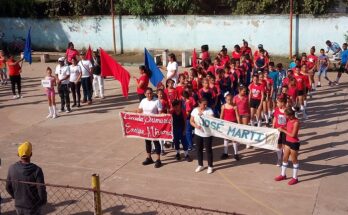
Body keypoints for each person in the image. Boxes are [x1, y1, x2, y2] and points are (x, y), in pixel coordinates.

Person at [6, 141, 47, 214]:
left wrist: (16, 197)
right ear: (31, 154)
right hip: (33, 206)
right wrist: (42, 202)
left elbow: (8, 187)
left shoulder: (12, 168)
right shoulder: (37, 170)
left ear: (18, 154)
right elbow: (41, 190)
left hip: (19, 205)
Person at [137, 87, 163, 168]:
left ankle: (158, 159)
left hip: (154, 125)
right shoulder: (143, 101)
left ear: (152, 93)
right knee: (147, 142)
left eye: (150, 93)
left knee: (155, 142)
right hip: (146, 124)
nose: (149, 95)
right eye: (147, 93)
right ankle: (149, 157)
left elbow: (160, 113)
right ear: (145, 94)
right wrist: (128, 112)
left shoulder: (157, 101)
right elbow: (139, 111)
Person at [275, 107, 300, 185]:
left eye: (286, 115)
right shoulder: (289, 120)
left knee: (294, 160)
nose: (285, 116)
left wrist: (283, 130)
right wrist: (283, 127)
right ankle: (283, 175)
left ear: (290, 115)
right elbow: (288, 128)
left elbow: (293, 135)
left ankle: (295, 178)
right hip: (287, 142)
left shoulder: (296, 122)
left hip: (294, 143)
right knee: (285, 158)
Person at [190, 98, 214, 174]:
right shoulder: (194, 110)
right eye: (204, 104)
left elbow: (212, 121)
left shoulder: (209, 110)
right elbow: (191, 121)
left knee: (208, 150)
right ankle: (200, 165)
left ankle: (210, 166)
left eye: (206, 104)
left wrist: (203, 116)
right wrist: (196, 126)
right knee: (199, 149)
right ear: (199, 103)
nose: (206, 105)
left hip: (207, 134)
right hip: (198, 133)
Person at [220, 93, 241, 161]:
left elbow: (237, 116)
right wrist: (220, 123)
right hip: (226, 124)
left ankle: (236, 153)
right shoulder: (223, 106)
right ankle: (225, 153)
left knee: (234, 139)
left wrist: (239, 124)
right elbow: (222, 115)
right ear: (225, 100)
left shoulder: (235, 106)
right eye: (228, 100)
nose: (230, 101)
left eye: (231, 99)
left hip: (233, 123)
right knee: (226, 138)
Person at [273, 97, 287, 166]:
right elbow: (275, 118)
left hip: (285, 131)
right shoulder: (276, 110)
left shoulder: (287, 111)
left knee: (284, 146)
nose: (277, 104)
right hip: (277, 130)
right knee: (278, 145)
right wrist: (273, 127)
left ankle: (285, 159)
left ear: (283, 103)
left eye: (278, 103)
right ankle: (279, 159)